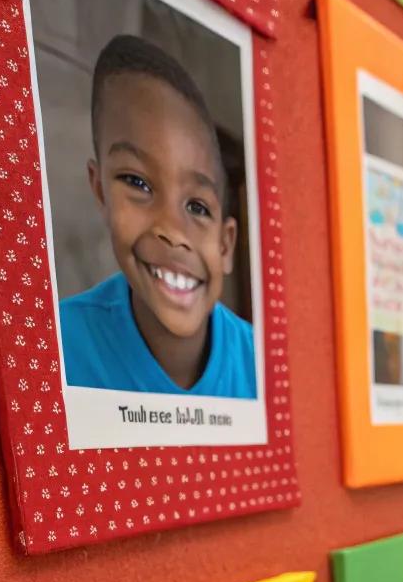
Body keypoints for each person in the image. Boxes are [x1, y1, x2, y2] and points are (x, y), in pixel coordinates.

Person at [59, 34, 256, 398]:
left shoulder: (260, 368)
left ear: (226, 245)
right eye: (138, 182)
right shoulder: (54, 347)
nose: (172, 231)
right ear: (100, 190)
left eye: (198, 207)